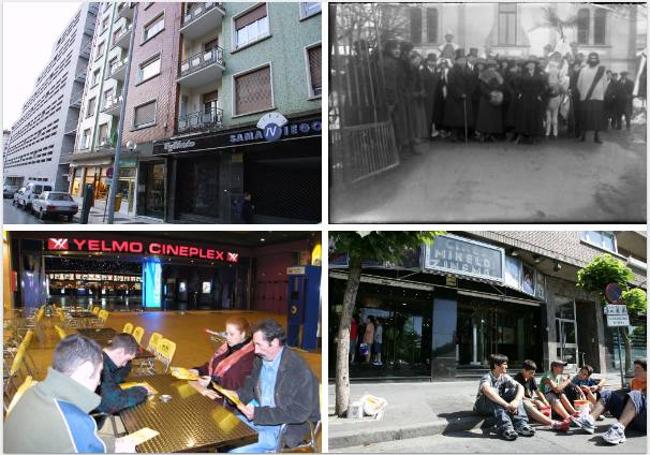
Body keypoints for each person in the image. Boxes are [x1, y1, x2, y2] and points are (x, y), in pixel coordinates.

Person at [4, 335, 135, 453]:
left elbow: (83, 443)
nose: (100, 382)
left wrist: (114, 445)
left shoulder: (32, 391)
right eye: (99, 373)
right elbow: (75, 434)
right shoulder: (73, 420)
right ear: (86, 370)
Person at [227, 320, 320, 453]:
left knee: (234, 449)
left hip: (285, 426)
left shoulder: (297, 369)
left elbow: (299, 412)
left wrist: (258, 414)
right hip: (261, 416)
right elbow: (250, 387)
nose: (256, 350)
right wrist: (237, 395)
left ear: (275, 343)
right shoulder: (260, 359)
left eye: (259, 345)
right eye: (254, 344)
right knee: (222, 433)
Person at [574, 359, 647, 444]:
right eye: (634, 368)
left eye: (638, 368)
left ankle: (619, 430)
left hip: (645, 422)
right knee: (608, 393)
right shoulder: (634, 382)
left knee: (636, 394)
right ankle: (589, 420)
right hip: (632, 421)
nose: (635, 371)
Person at [473, 353, 536, 441]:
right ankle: (506, 428)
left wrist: (516, 401)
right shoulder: (487, 377)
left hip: (496, 405)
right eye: (504, 364)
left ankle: (521, 425)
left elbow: (520, 387)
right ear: (496, 365)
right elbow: (487, 390)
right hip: (482, 406)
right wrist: (506, 405)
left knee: (514, 392)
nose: (507, 366)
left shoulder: (504, 376)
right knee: (492, 393)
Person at [189, 316, 255, 391]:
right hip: (213, 389)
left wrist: (213, 381)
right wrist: (198, 370)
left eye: (232, 334)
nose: (227, 337)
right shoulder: (227, 347)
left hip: (228, 398)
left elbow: (238, 384)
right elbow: (213, 366)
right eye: (226, 333)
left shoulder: (250, 357)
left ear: (242, 334)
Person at [95, 333, 149, 418]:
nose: (124, 365)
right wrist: (142, 390)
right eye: (126, 360)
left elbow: (115, 379)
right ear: (119, 351)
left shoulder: (99, 355)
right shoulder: (101, 367)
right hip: (92, 417)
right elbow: (113, 402)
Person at [513, 359, 570, 432]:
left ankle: (546, 420)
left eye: (533, 373)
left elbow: (537, 391)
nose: (533, 375)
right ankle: (553, 423)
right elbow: (520, 396)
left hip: (530, 400)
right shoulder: (517, 379)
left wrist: (544, 400)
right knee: (531, 403)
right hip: (522, 401)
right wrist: (535, 401)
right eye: (531, 373)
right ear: (524, 370)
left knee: (543, 404)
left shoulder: (531, 378)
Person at [380, 40, 411, 155]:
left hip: (397, 97)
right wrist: (392, 101)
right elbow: (390, 84)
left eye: (398, 48)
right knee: (396, 124)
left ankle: (396, 150)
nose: (398, 50)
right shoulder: (391, 63)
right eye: (394, 48)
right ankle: (396, 151)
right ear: (388, 50)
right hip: (394, 99)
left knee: (397, 124)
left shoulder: (395, 62)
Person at [576, 52, 607, 143]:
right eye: (591, 58)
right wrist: (584, 93)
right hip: (585, 98)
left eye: (595, 59)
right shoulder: (583, 70)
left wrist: (600, 93)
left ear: (597, 60)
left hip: (598, 98)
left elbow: (605, 84)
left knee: (597, 118)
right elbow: (579, 84)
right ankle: (583, 135)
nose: (593, 60)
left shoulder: (602, 70)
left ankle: (597, 136)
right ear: (588, 60)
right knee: (585, 117)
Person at [444, 50, 475, 142]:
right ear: (456, 61)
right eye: (460, 60)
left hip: (466, 96)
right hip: (455, 98)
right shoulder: (452, 71)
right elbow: (451, 84)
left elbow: (472, 83)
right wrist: (460, 93)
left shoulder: (468, 70)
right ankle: (454, 135)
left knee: (464, 117)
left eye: (464, 60)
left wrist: (469, 92)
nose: (463, 62)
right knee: (455, 117)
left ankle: (461, 134)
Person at [514, 56, 546, 144]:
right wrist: (520, 93)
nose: (531, 65)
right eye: (530, 64)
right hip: (525, 98)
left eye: (533, 64)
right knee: (524, 116)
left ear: (535, 65)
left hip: (535, 98)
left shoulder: (539, 75)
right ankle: (524, 134)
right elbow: (517, 86)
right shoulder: (522, 75)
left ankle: (534, 135)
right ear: (527, 65)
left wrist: (540, 95)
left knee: (534, 116)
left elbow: (544, 87)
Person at [476, 59, 505, 142]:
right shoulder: (483, 75)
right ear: (487, 67)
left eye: (493, 66)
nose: (491, 68)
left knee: (493, 118)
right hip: (486, 99)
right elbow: (481, 87)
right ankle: (483, 135)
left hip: (496, 99)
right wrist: (490, 94)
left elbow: (503, 86)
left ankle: (491, 134)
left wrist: (497, 93)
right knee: (485, 118)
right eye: (490, 66)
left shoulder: (499, 75)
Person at [421, 53, 441, 139]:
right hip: (427, 97)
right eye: (431, 61)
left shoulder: (436, 71)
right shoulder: (423, 72)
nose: (433, 63)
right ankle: (427, 134)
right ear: (427, 62)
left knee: (434, 115)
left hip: (435, 97)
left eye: (434, 61)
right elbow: (421, 84)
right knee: (427, 116)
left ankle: (433, 132)